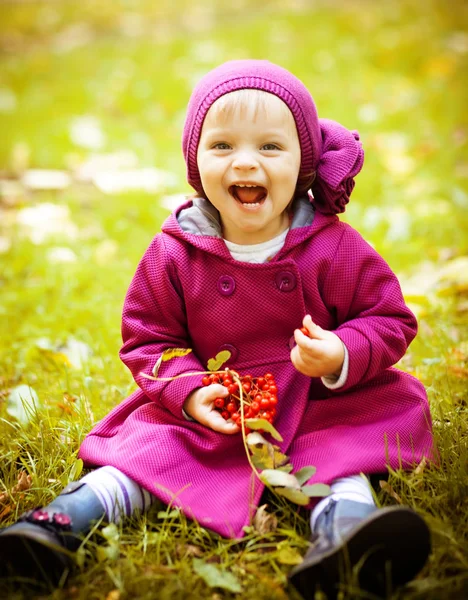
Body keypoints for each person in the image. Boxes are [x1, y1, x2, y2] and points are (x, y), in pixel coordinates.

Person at [0, 60, 434, 598]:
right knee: (150, 448)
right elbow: (149, 338)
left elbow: (389, 317)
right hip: (219, 403)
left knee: (344, 443)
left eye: (270, 147)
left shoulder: (333, 246)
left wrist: (342, 351)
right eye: (223, 146)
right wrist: (189, 391)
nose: (245, 162)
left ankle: (348, 528)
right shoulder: (177, 252)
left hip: (319, 396)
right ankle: (67, 520)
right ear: (194, 161)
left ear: (303, 163)